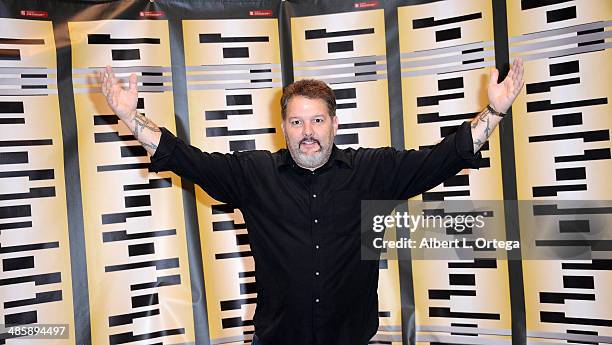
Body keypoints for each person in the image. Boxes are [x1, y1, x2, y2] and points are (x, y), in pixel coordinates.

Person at [98, 58, 524, 345]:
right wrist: (130, 117)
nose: (308, 130)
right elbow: (186, 159)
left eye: (317, 119)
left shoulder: (372, 171)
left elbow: (440, 160)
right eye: (297, 120)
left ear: (334, 124)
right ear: (283, 125)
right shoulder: (253, 174)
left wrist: (496, 111)